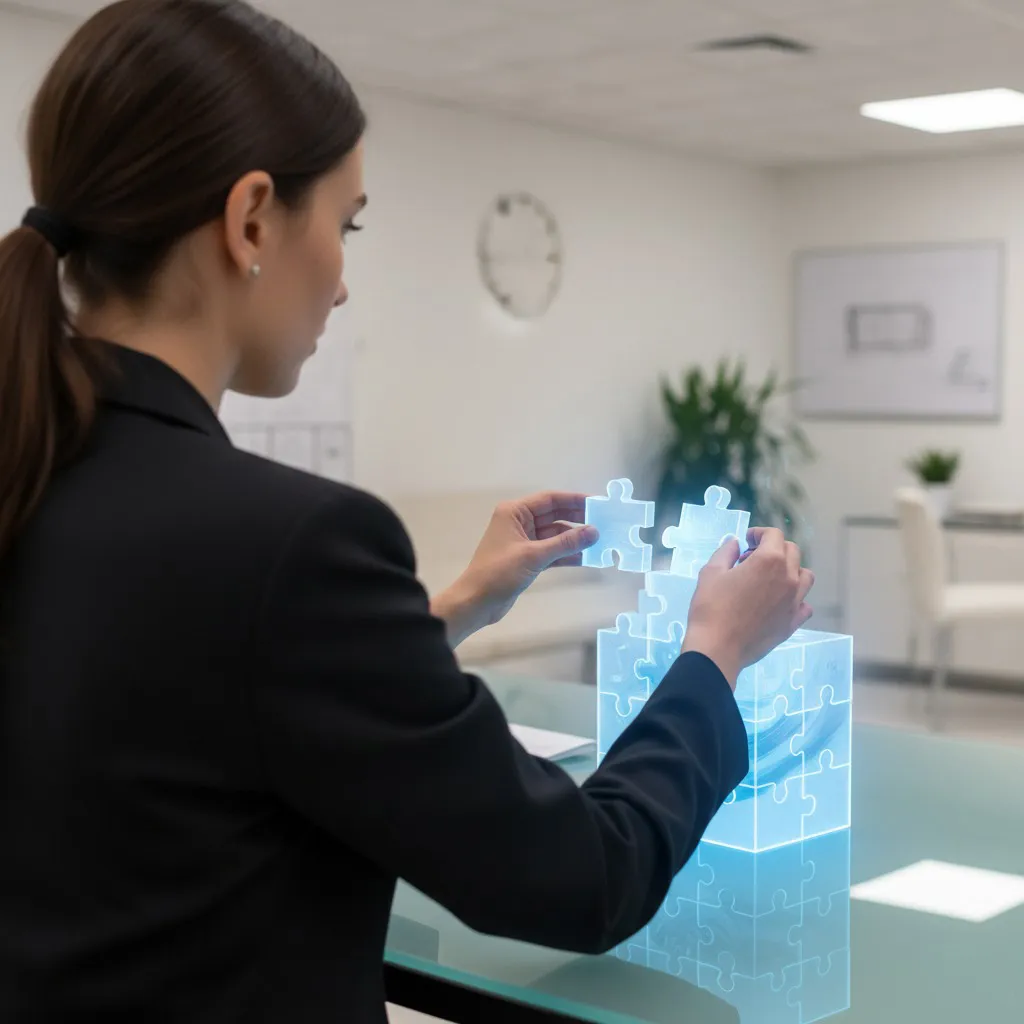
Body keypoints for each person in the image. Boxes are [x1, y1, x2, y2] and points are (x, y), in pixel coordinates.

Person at [0, 1, 814, 1021]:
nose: (342, 281)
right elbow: (582, 876)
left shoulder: (39, 473)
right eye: (345, 226)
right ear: (251, 220)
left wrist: (453, 606)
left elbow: (180, 710)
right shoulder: (290, 543)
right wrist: (714, 654)